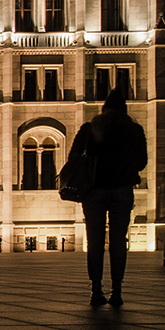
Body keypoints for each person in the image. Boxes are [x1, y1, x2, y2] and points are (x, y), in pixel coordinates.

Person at [65, 84, 149, 307]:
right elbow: (142, 163)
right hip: (122, 190)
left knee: (95, 241)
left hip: (93, 191)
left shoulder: (89, 129)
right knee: (118, 241)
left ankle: (95, 291)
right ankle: (117, 291)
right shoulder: (134, 130)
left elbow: (73, 158)